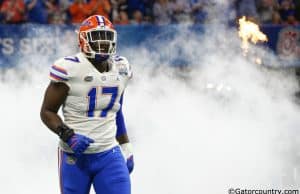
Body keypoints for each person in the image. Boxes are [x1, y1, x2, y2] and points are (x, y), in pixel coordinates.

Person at [40, 15, 134, 194]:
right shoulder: (70, 68)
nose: (103, 43)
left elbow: (117, 111)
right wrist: (68, 135)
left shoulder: (121, 67)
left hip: (108, 152)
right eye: (97, 37)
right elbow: (47, 111)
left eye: (107, 37)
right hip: (74, 156)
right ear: (83, 40)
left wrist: (125, 145)